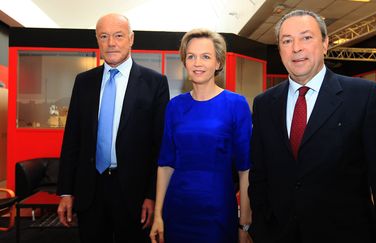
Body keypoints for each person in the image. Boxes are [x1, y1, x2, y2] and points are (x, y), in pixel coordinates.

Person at [248, 9, 376, 243]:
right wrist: (262, 229)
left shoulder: (362, 97)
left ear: (325, 44)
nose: (296, 48)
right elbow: (259, 174)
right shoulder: (265, 104)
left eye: (306, 37)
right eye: (287, 40)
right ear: (280, 49)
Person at [56, 13, 169, 243]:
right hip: (90, 190)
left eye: (118, 35)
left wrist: (151, 196)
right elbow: (72, 139)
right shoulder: (83, 81)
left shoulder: (155, 83)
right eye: (104, 36)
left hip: (135, 194)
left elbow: (159, 145)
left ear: (131, 38)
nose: (111, 43)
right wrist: (66, 192)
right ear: (97, 40)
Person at [150, 29, 253, 243]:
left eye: (205, 56)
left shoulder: (236, 104)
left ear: (218, 63)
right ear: (185, 62)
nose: (197, 63)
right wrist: (158, 215)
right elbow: (165, 164)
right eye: (191, 56)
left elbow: (245, 169)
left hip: (217, 213)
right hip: (176, 211)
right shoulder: (175, 106)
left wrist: (244, 223)